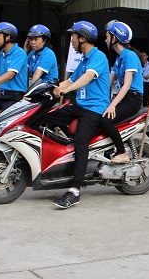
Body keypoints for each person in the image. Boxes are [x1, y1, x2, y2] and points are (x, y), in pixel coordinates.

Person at [44, 21, 109, 209]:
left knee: (81, 144)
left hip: (94, 108)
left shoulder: (98, 57)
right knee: (47, 117)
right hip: (80, 106)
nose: (71, 41)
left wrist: (67, 89)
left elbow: (87, 78)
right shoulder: (84, 60)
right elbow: (69, 81)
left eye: (73, 37)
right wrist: (52, 88)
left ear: (82, 38)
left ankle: (75, 190)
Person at [104, 20, 144, 164]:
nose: (105, 39)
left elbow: (127, 85)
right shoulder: (118, 58)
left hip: (133, 99)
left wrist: (112, 104)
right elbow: (107, 82)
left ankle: (122, 152)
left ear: (115, 38)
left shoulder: (130, 56)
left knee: (106, 119)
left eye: (107, 36)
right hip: (123, 98)